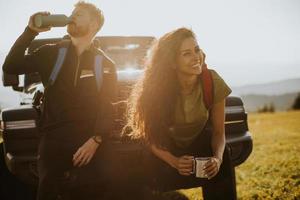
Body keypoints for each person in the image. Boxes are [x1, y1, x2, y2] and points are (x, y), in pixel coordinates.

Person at [2, 1, 116, 199]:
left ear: (94, 25)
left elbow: (107, 105)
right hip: (53, 139)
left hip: (89, 140)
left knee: (95, 192)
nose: (72, 17)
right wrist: (30, 31)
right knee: (48, 193)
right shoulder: (50, 53)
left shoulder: (105, 64)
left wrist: (96, 139)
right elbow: (11, 66)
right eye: (72, 13)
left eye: (79, 14)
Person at [125, 27, 236, 199]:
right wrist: (174, 161)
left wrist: (217, 159)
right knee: (146, 169)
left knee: (224, 157)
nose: (195, 57)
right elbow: (149, 136)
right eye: (186, 54)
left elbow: (218, 132)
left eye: (196, 50)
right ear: (172, 62)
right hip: (163, 149)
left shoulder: (211, 81)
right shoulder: (155, 89)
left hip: (196, 142)